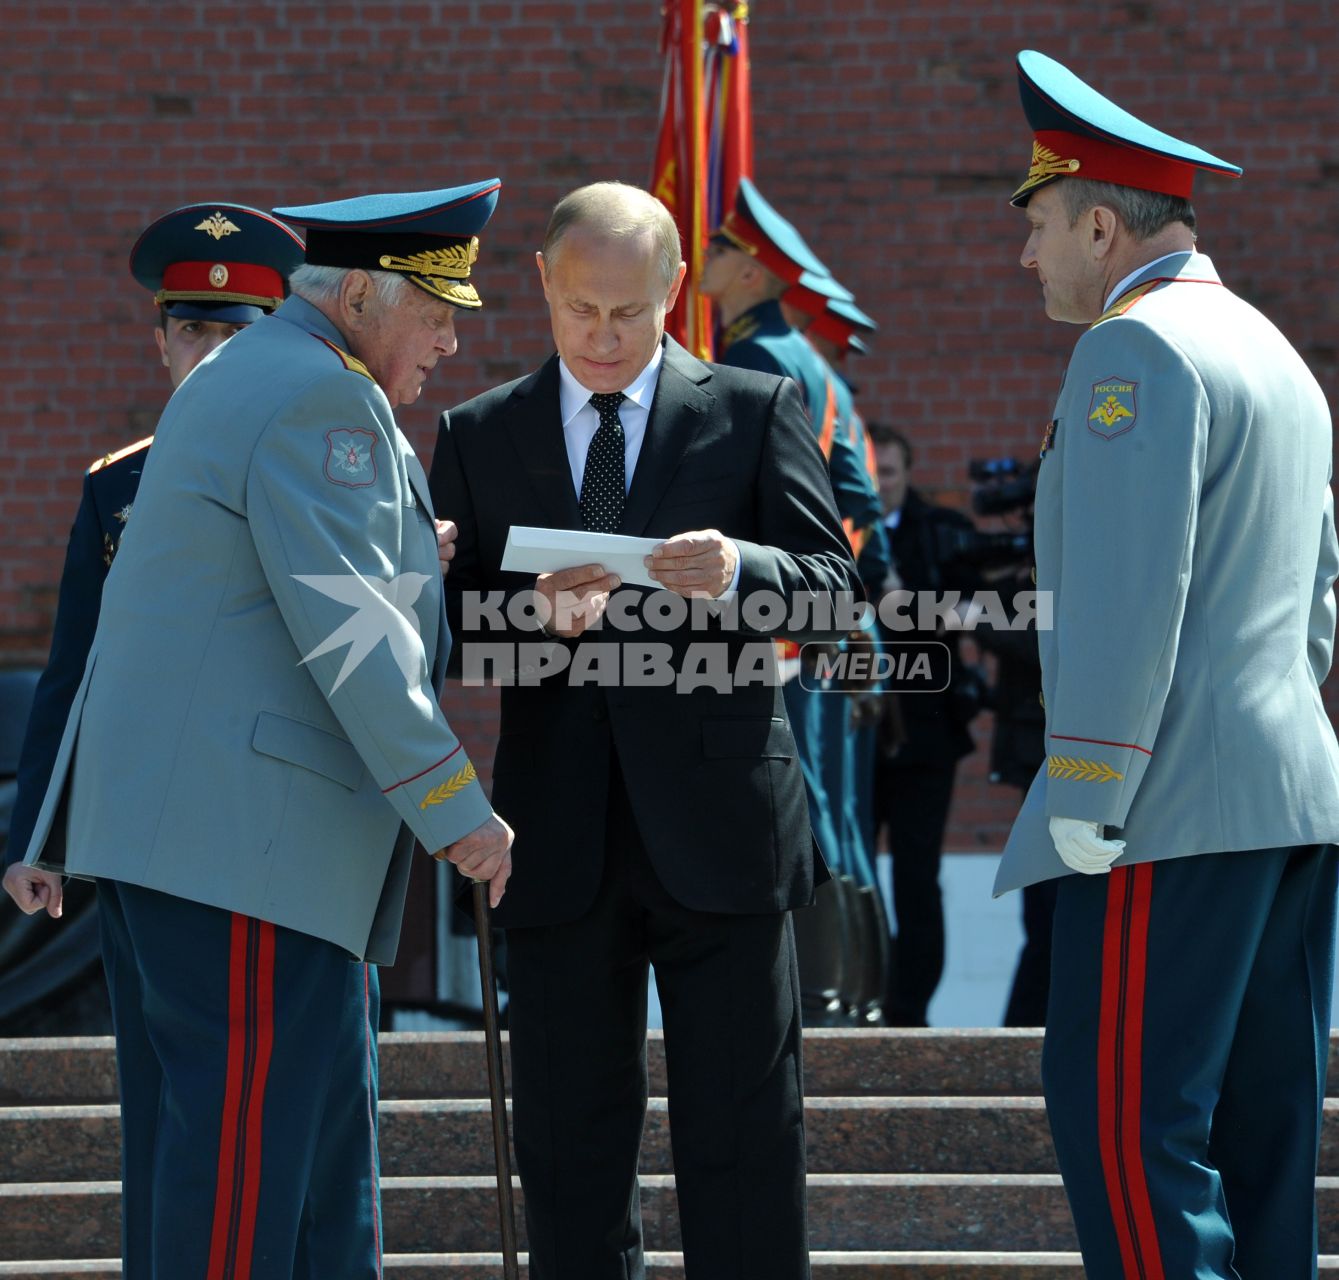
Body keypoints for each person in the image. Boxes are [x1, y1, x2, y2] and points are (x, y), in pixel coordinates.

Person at [4, 180, 513, 1279]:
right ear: (371, 297)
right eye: (437, 309)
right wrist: (454, 808)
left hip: (213, 849)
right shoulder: (315, 397)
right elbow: (351, 629)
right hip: (243, 855)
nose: (451, 339)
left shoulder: (255, 372)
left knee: (292, 1180)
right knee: (240, 1190)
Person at [430, 180, 859, 1280]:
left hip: (722, 827)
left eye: (631, 310)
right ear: (541, 285)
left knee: (744, 1134)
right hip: (557, 833)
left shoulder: (754, 408)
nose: (606, 336)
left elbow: (832, 596)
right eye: (581, 310)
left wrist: (743, 571)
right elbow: (440, 637)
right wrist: (532, 616)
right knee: (570, 1141)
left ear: (676, 288)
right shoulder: (479, 433)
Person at [995, 50, 1339, 1278]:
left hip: (1165, 803)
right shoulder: (1272, 349)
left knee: (1130, 1129)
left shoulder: (1132, 351)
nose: (1029, 256)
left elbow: (1128, 596)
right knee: (1261, 1141)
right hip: (1289, 794)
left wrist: (1088, 785)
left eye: (1039, 227)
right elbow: (1315, 608)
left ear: (1099, 222)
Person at [0, 202, 305, 1035]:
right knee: (161, 1060)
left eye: (235, 337)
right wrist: (37, 835)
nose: (211, 356)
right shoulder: (115, 488)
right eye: (194, 333)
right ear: (160, 342)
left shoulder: (321, 467)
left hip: (279, 818)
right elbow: (73, 670)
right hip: (147, 823)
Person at [700, 178, 890, 1024]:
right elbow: (857, 501)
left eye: (716, 248)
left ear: (749, 272)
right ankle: (848, 994)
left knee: (800, 800)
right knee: (831, 805)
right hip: (820, 612)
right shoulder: (808, 362)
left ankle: (819, 993)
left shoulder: (757, 360)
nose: (700, 259)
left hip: (780, 617)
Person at [866, 422, 979, 1025]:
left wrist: (904, 603)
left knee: (918, 874)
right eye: (872, 472)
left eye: (891, 472)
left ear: (908, 474)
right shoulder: (839, 535)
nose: (882, 483)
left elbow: (978, 612)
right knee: (853, 865)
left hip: (927, 732)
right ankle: (867, 994)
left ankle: (910, 1010)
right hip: (857, 732)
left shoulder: (944, 533)